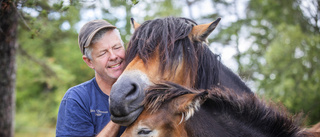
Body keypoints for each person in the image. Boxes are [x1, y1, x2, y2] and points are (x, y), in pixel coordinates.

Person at [56, 19, 126, 137]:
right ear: (89, 62)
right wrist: (119, 118)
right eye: (103, 53)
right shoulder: (77, 99)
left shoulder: (146, 89)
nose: (113, 56)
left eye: (117, 47)